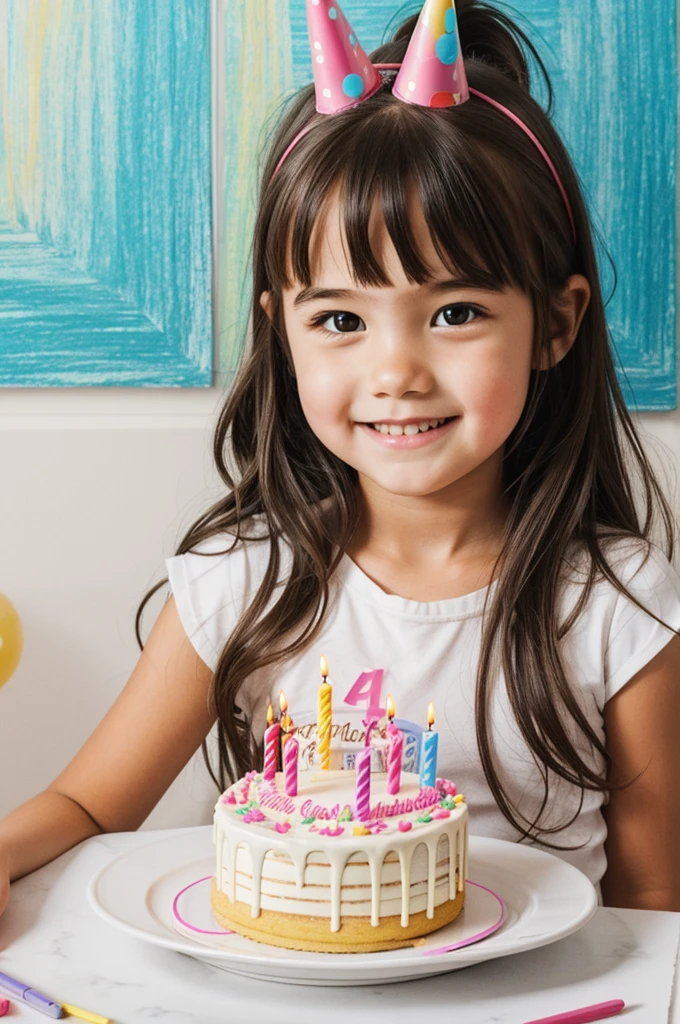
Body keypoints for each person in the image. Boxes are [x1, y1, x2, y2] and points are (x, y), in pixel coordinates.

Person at [1, 0, 679, 921]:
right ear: (284, 332)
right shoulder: (244, 583)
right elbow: (87, 806)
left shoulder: (615, 605)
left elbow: (652, 895)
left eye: (455, 313)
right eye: (341, 321)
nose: (395, 372)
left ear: (555, 324)